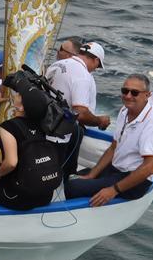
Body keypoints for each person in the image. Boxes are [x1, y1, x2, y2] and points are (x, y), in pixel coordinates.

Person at [65, 74, 153, 205]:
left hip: (137, 179)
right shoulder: (124, 111)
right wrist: (92, 175)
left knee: (73, 187)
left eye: (134, 93)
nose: (128, 96)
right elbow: (114, 147)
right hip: (117, 169)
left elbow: (149, 168)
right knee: (70, 177)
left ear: (147, 95)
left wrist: (113, 190)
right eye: (125, 91)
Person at [0, 88, 61, 210]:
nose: (16, 94)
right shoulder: (42, 124)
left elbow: (11, 162)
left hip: (19, 196)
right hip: (45, 194)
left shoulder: (9, 127)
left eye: (20, 95)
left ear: (21, 107)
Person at [47, 41, 110, 178]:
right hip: (63, 133)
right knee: (65, 172)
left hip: (45, 125)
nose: (95, 69)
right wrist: (100, 121)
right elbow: (80, 114)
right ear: (95, 60)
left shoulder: (58, 64)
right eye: (98, 66)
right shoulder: (82, 75)